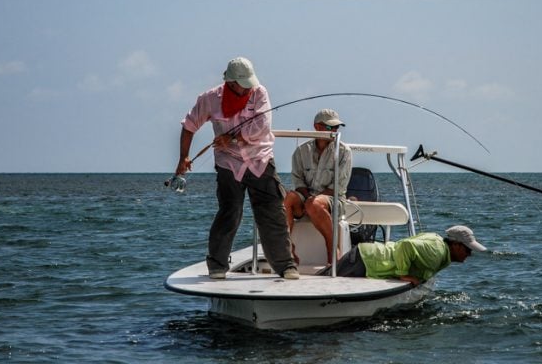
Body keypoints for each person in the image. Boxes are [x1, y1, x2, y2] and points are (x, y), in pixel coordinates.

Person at [174, 57, 299, 280]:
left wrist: (232, 137)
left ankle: (285, 265)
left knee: (272, 211)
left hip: (259, 159)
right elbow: (189, 125)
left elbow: (263, 127)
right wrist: (183, 157)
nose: (249, 87)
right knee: (229, 212)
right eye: (244, 83)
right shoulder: (210, 98)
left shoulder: (259, 92)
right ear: (231, 82)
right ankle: (217, 265)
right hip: (228, 163)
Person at [284, 108, 352, 264]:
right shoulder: (301, 151)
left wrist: (312, 201)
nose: (334, 131)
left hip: (334, 199)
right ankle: (288, 250)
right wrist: (308, 199)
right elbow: (298, 181)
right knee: (288, 198)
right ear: (317, 127)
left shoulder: (344, 152)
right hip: (307, 197)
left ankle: (332, 249)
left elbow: (338, 187)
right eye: (330, 127)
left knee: (314, 204)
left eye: (336, 128)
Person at [324, 225, 486, 285]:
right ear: (456, 245)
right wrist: (404, 275)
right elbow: (406, 246)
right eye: (468, 249)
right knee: (323, 282)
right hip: (365, 260)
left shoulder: (439, 245)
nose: (469, 254)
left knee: (324, 279)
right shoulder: (437, 252)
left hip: (367, 258)